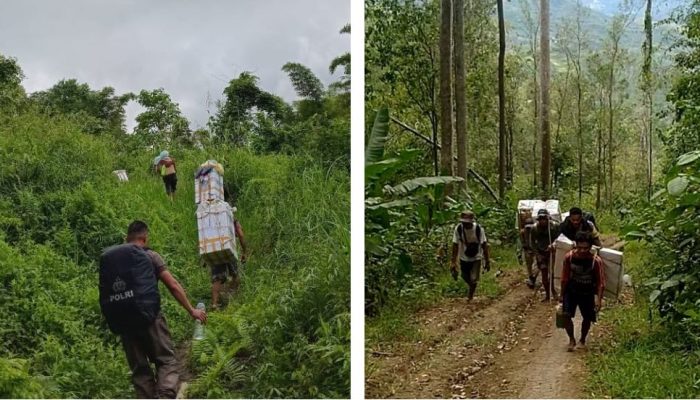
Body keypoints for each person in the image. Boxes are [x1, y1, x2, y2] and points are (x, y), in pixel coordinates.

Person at [99, 221, 207, 398]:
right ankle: (165, 396)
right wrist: (191, 310)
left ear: (127, 237)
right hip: (150, 319)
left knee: (140, 370)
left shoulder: (114, 261)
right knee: (166, 361)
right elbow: (172, 285)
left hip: (124, 323)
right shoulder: (150, 256)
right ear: (144, 237)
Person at [560, 231, 605, 352]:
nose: (582, 250)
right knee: (566, 315)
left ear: (590, 247)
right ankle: (571, 339)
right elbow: (564, 277)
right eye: (579, 247)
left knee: (587, 317)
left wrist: (599, 300)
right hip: (571, 290)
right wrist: (561, 295)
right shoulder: (569, 257)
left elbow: (601, 282)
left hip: (587, 292)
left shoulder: (596, 261)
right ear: (575, 245)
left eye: (585, 248)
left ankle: (583, 339)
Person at [450, 210, 491, 300]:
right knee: (464, 276)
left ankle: (470, 296)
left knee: (474, 278)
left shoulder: (478, 229)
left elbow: (484, 245)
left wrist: (487, 261)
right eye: (464, 223)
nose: (465, 225)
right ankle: (472, 287)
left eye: (467, 223)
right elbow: (455, 245)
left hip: (476, 257)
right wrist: (453, 261)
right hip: (463, 257)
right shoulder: (458, 229)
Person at [210, 218, 248, 309]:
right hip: (228, 248)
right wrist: (245, 252)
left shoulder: (210, 218)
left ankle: (214, 304)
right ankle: (232, 297)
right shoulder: (230, 216)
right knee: (235, 274)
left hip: (215, 249)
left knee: (217, 279)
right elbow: (241, 235)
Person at [527, 209, 560, 301]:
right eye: (541, 219)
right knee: (544, 274)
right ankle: (547, 295)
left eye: (544, 218)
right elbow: (532, 243)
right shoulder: (534, 228)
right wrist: (537, 255)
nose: (543, 221)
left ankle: (553, 291)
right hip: (541, 253)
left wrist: (554, 245)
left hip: (552, 252)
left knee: (552, 273)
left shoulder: (554, 227)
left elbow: (560, 238)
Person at [519, 217, 537, 288]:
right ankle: (531, 277)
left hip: (535, 250)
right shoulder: (522, 232)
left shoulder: (535, 230)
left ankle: (533, 277)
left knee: (536, 266)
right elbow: (522, 242)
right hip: (527, 250)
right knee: (529, 265)